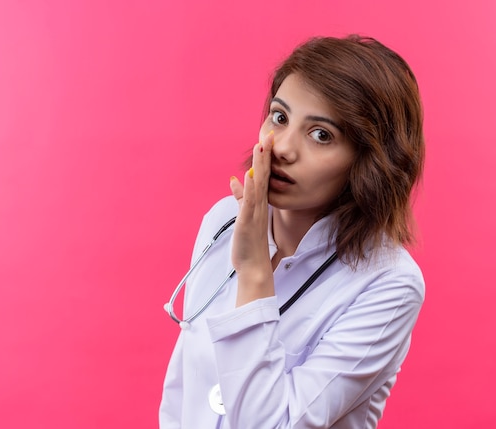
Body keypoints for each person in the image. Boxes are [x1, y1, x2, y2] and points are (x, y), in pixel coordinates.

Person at [160, 34, 425, 429]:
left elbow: (272, 423)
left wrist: (253, 275)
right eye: (280, 117)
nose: (281, 147)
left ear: (370, 159)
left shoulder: (389, 283)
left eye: (321, 134)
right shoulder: (223, 221)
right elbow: (183, 392)